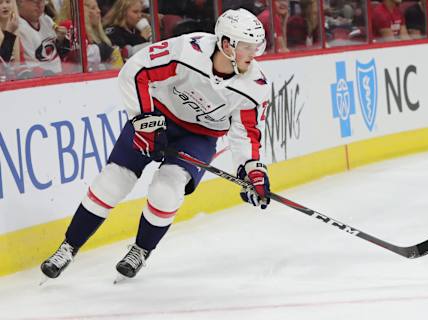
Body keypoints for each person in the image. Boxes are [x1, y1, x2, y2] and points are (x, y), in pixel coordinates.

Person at [40, 8, 271, 281]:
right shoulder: (188, 50)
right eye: (246, 47)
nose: (254, 54)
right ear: (225, 45)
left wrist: (252, 171)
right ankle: (69, 246)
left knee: (167, 188)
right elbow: (135, 71)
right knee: (113, 181)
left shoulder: (255, 85)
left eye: (256, 46)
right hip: (156, 117)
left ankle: (140, 250)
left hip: (198, 135)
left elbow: (245, 133)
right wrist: (144, 119)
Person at [17, 0, 70, 75]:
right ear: (20, 2)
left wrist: (61, 40)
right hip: (42, 79)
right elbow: (31, 68)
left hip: (59, 75)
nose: (40, 5)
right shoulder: (18, 27)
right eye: (35, 2)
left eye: (42, 1)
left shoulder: (46, 19)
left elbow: (64, 53)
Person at [0, 0, 22, 64]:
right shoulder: (12, 28)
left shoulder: (19, 26)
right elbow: (2, 63)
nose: (5, 6)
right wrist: (10, 33)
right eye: (0, 3)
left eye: (8, 1)